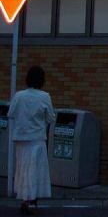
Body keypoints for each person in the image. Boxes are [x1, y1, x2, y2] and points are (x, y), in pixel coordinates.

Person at [8, 66, 56, 215]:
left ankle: (25, 198)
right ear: (42, 80)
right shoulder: (44, 96)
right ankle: (31, 198)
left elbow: (11, 114)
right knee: (35, 170)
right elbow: (51, 118)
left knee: (23, 169)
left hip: (21, 138)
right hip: (37, 139)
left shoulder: (19, 96)